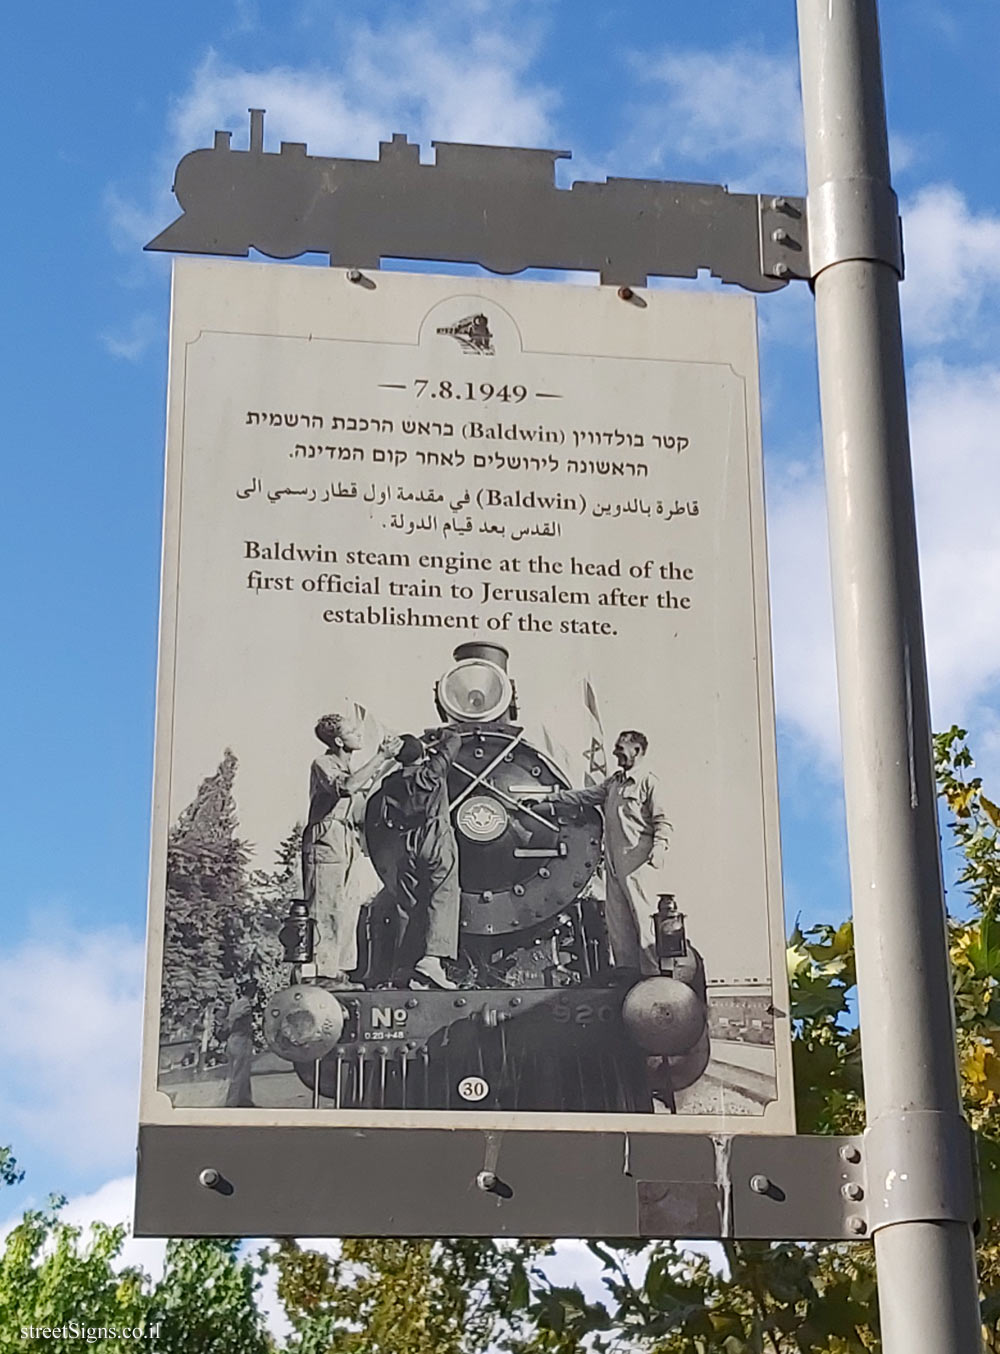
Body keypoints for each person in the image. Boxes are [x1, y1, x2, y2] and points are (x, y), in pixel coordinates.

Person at [533, 730, 670, 975]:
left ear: (637, 751)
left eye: (621, 748)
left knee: (642, 914)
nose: (615, 752)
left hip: (637, 858)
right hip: (614, 859)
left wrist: (660, 847)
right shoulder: (613, 783)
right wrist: (550, 798)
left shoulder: (648, 781)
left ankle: (652, 974)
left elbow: (662, 820)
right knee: (617, 918)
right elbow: (584, 796)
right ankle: (627, 970)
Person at [302, 712, 400, 985]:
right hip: (327, 836)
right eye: (351, 732)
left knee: (348, 905)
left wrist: (388, 759)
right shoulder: (323, 763)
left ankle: (341, 971)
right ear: (338, 740)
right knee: (326, 905)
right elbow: (346, 787)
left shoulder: (348, 767)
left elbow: (361, 786)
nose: (359, 734)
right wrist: (381, 756)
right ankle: (321, 973)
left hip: (347, 837)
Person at [380, 727, 463, 989]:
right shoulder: (432, 773)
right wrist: (435, 734)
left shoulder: (389, 783)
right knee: (443, 894)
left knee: (407, 903)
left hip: (405, 841)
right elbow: (455, 740)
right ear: (422, 754)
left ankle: (404, 967)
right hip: (435, 834)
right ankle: (432, 958)